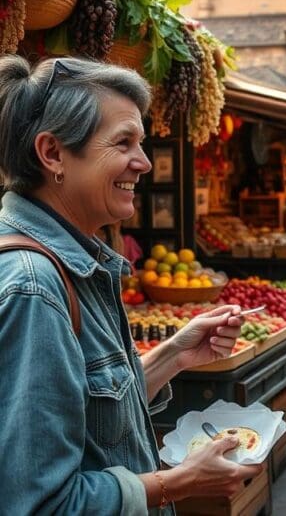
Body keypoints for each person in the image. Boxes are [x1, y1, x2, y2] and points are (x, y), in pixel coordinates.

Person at [0, 56, 259, 514]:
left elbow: (91, 415)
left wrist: (174, 354)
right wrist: (179, 482)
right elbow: (41, 504)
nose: (143, 162)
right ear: (53, 153)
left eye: (141, 143)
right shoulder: (35, 288)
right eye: (124, 143)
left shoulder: (72, 264)